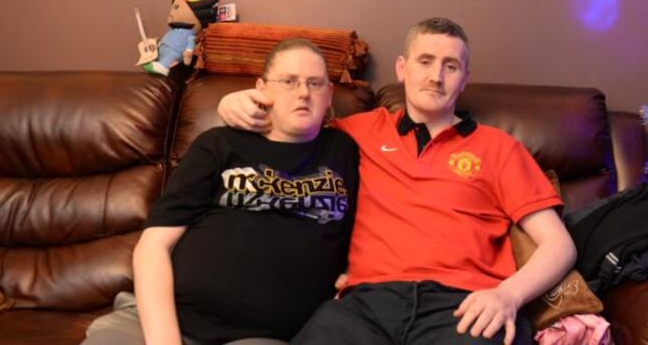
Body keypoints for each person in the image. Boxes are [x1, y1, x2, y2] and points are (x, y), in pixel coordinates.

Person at [216, 18, 576, 345]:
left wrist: (507, 296)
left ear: (465, 79)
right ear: (401, 68)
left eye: (450, 66)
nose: (436, 76)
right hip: (366, 306)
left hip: (464, 306)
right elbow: (294, 114)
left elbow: (559, 246)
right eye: (425, 61)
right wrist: (235, 102)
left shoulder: (499, 147)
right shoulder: (357, 132)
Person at [84, 38, 359, 345]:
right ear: (262, 88)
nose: (303, 93)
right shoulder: (219, 144)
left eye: (315, 83)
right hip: (166, 320)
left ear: (329, 94)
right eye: (288, 81)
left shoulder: (348, 150)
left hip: (261, 339)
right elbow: (153, 247)